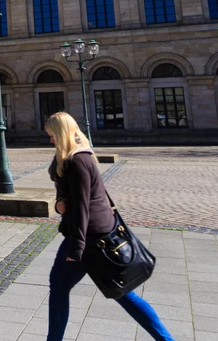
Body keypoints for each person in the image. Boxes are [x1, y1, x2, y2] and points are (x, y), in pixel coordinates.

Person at [44, 112, 173, 341]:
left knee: (63, 288)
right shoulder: (72, 158)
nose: (50, 140)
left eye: (52, 135)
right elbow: (72, 199)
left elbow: (84, 206)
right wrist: (59, 205)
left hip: (90, 238)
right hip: (91, 234)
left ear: (61, 133)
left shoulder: (78, 161)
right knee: (121, 293)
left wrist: (77, 248)